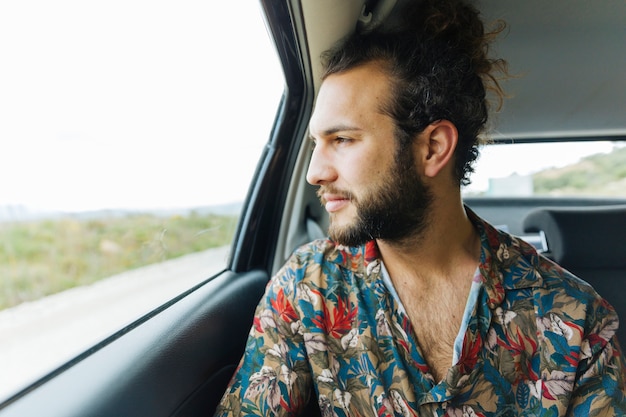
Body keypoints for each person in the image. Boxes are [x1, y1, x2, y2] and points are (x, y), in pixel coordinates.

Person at [215, 0, 626, 415]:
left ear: (432, 148)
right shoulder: (308, 287)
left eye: (342, 140)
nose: (315, 172)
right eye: (315, 145)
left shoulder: (576, 319)